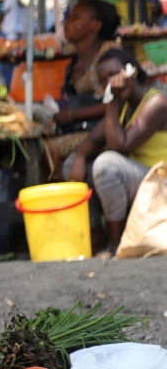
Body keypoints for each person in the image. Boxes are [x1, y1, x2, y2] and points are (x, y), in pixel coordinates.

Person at [66, 49, 167, 255]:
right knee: (72, 163)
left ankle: (116, 241)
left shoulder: (156, 103)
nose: (110, 83)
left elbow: (121, 146)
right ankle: (96, 235)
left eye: (115, 75)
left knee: (106, 164)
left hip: (160, 181)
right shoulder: (123, 106)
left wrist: (111, 101)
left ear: (133, 73)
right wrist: (79, 156)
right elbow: (93, 140)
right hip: (140, 178)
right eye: (104, 80)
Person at [44, 0, 120, 178]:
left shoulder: (109, 55)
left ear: (95, 25)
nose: (67, 22)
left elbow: (114, 101)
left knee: (49, 150)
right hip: (78, 127)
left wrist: (71, 115)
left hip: (102, 131)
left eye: (76, 17)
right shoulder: (75, 59)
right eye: (68, 16)